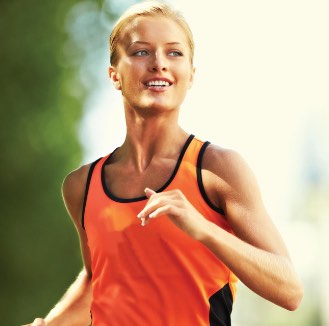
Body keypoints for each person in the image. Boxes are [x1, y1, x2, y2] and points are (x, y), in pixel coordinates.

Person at [28, 1, 303, 325]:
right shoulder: (82, 187)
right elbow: (96, 280)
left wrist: (204, 230)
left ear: (191, 75)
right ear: (114, 75)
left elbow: (289, 289)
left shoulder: (217, 170)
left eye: (174, 53)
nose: (158, 63)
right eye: (141, 52)